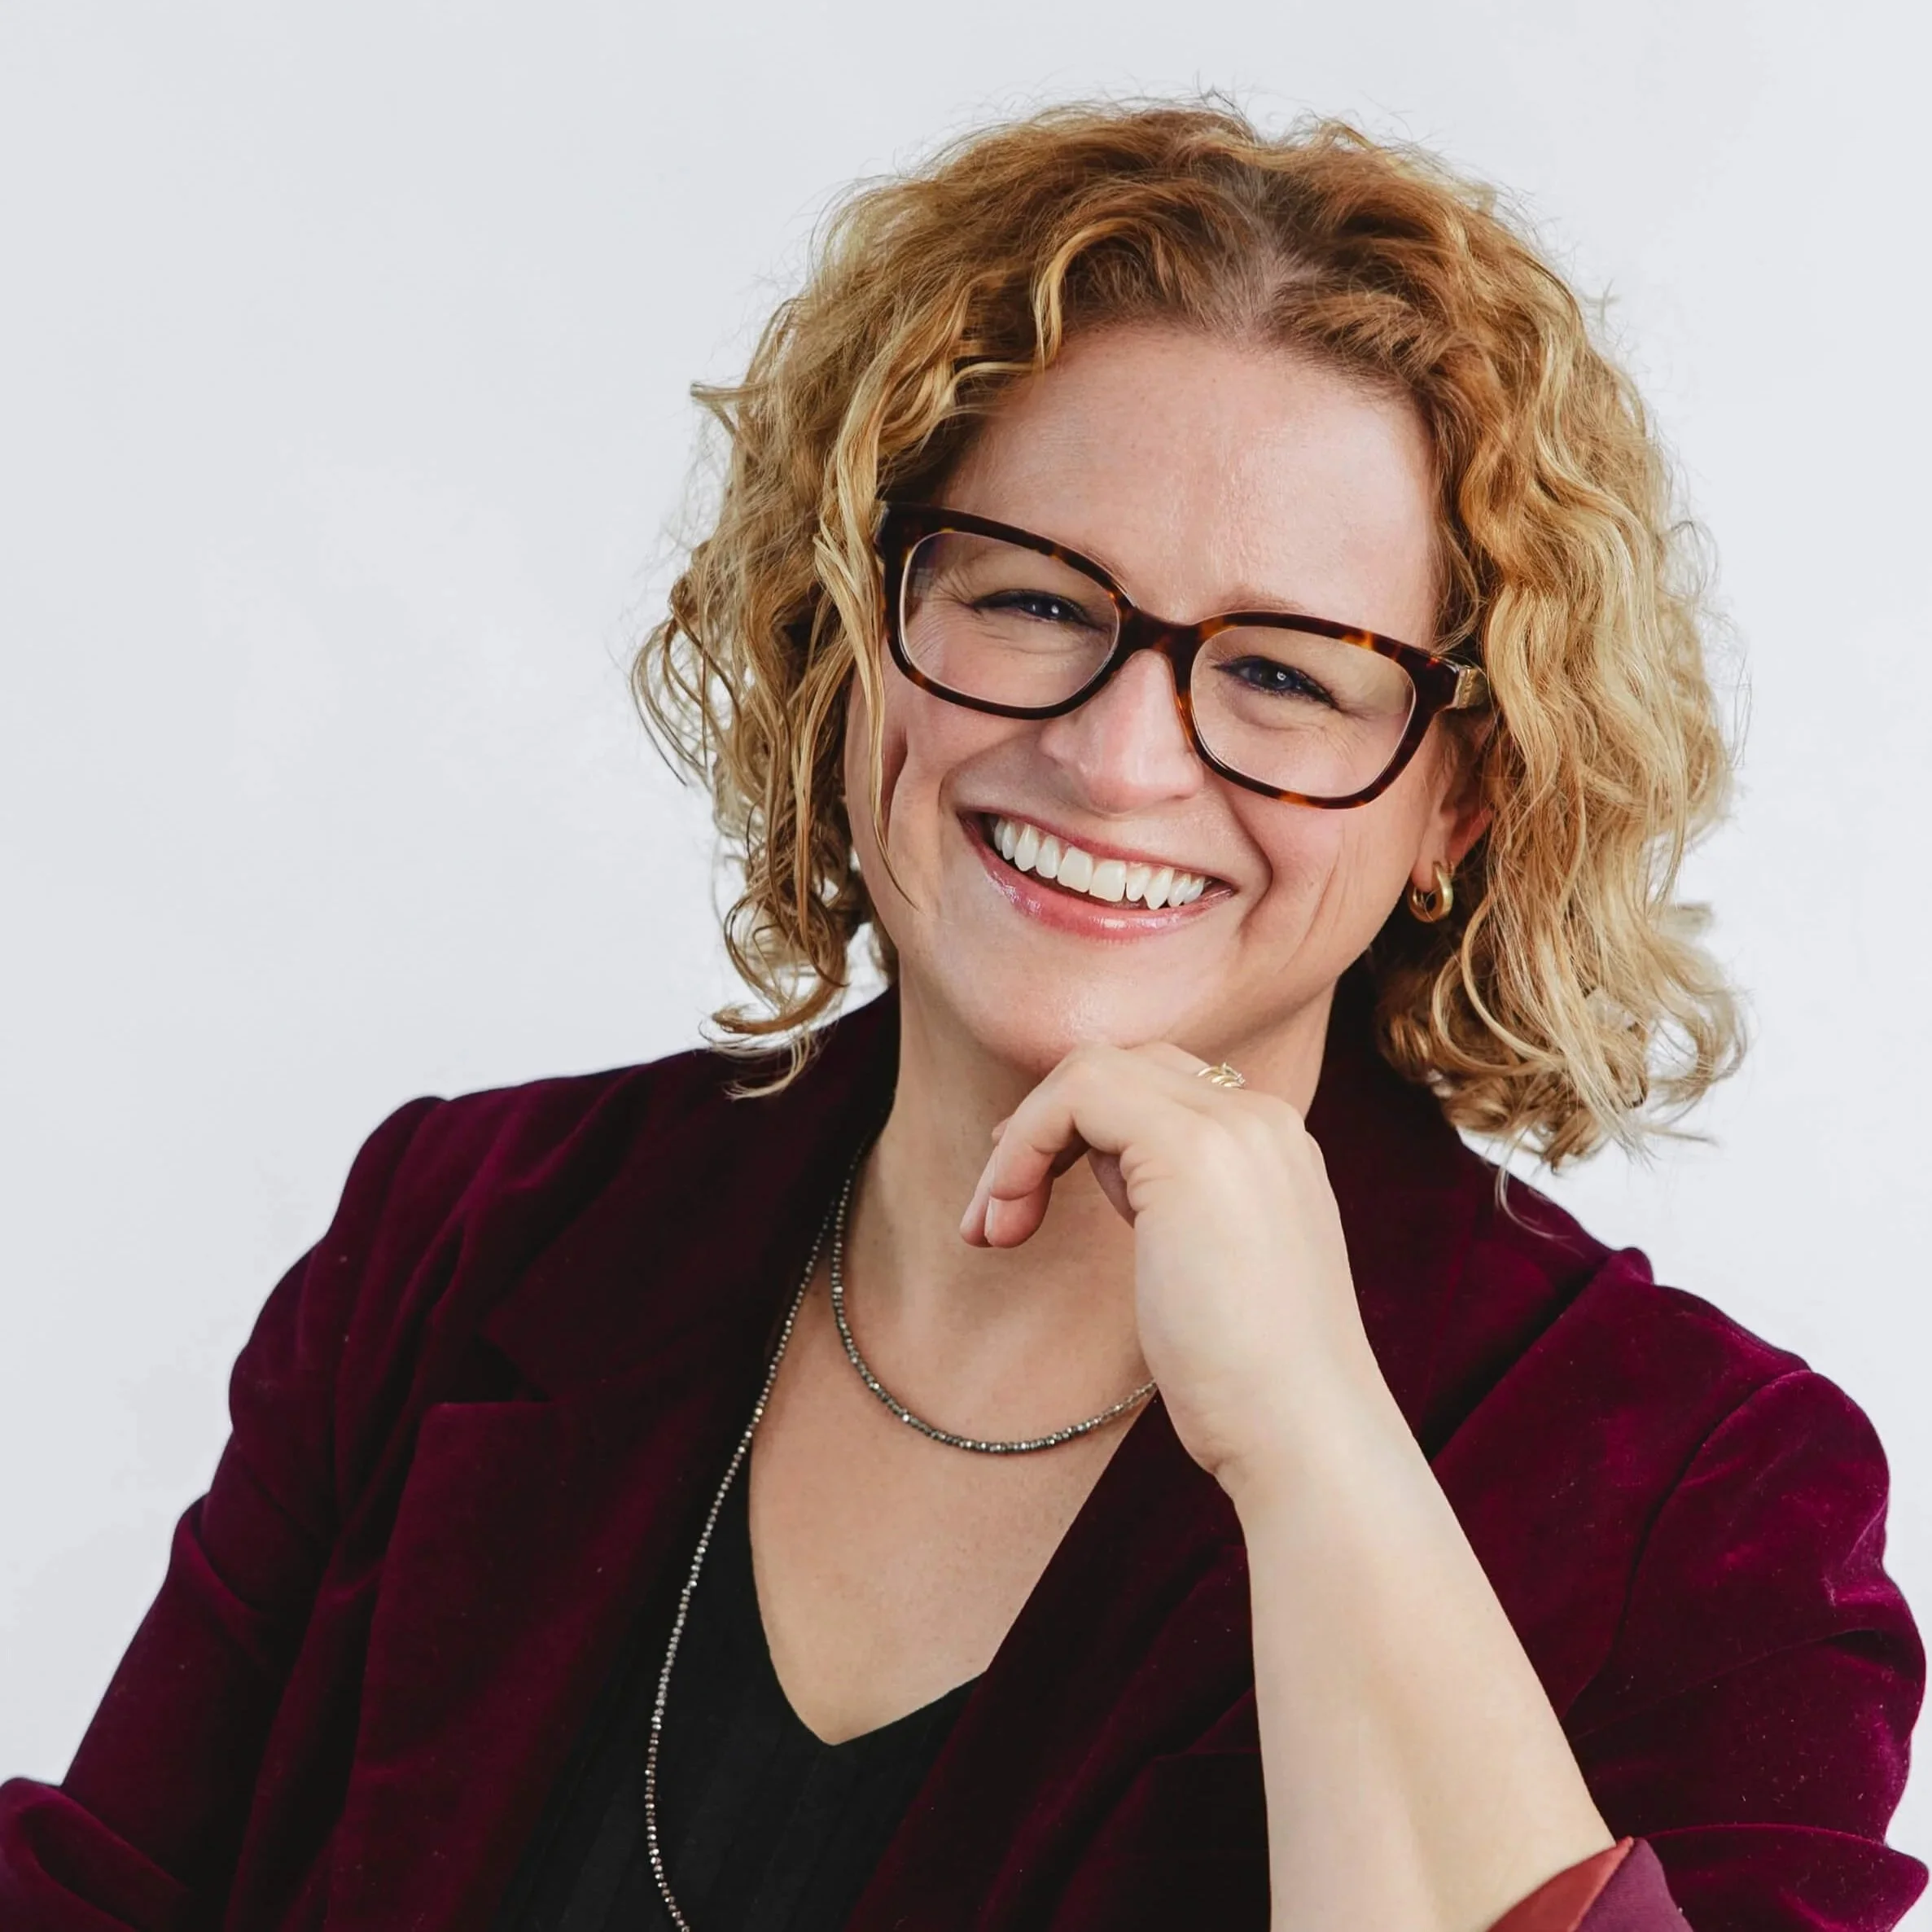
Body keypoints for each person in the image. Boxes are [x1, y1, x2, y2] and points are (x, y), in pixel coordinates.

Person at [0, 100, 1921, 1932]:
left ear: (1460, 798)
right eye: (1027, 601)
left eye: (1285, 673)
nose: (1113, 754)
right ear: (853, 628)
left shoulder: (1706, 1494)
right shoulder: (476, 1221)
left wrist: (1314, 1442)